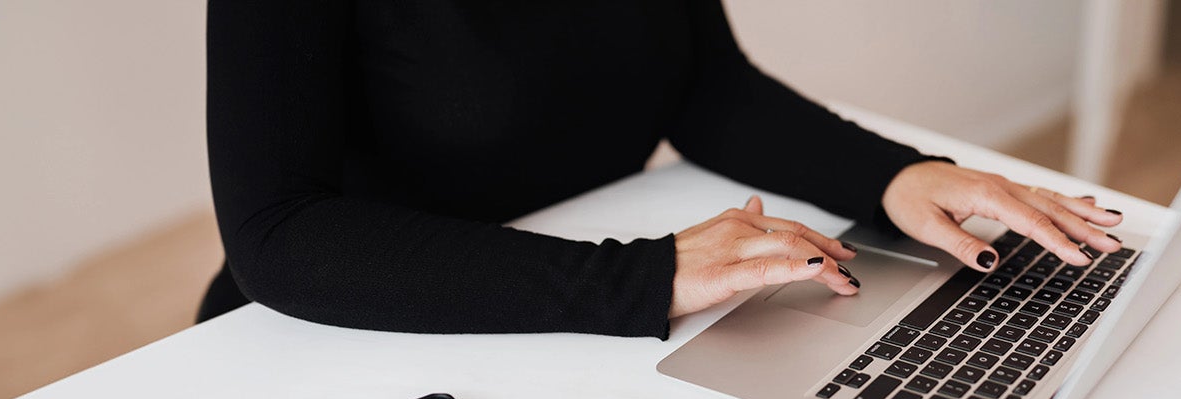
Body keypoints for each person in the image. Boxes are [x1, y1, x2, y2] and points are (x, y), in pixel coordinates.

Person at [201, 1, 1124, 339]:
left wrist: (895, 177)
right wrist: (637, 278)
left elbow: (702, 84)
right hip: (345, 321)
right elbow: (277, 234)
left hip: (557, 289)